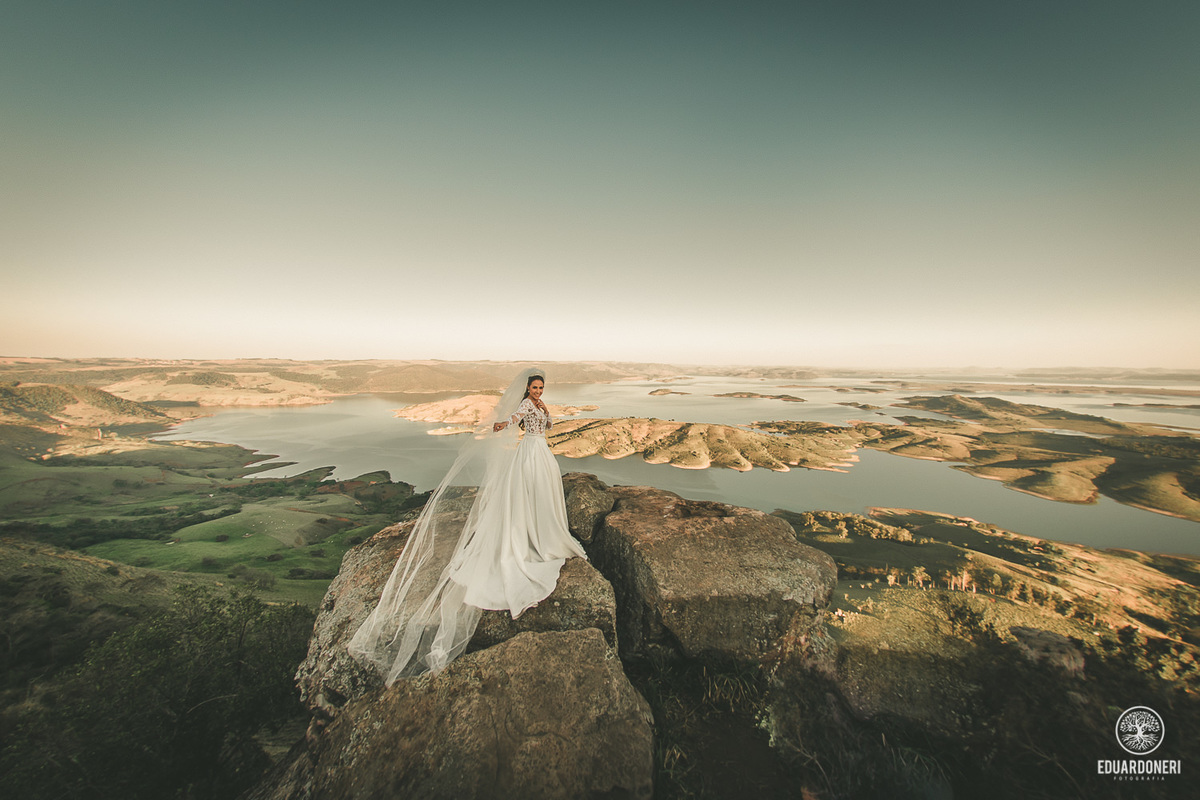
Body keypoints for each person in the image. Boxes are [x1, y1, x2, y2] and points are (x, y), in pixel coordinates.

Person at [347, 367, 587, 684]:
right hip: (530, 452)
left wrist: (544, 410)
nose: (538, 391)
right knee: (532, 491)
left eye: (541, 388)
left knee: (542, 492)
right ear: (527, 388)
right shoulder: (525, 404)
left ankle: (542, 530)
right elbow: (514, 419)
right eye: (535, 388)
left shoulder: (540, 404)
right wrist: (502, 423)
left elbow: (548, 426)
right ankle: (534, 536)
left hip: (541, 452)